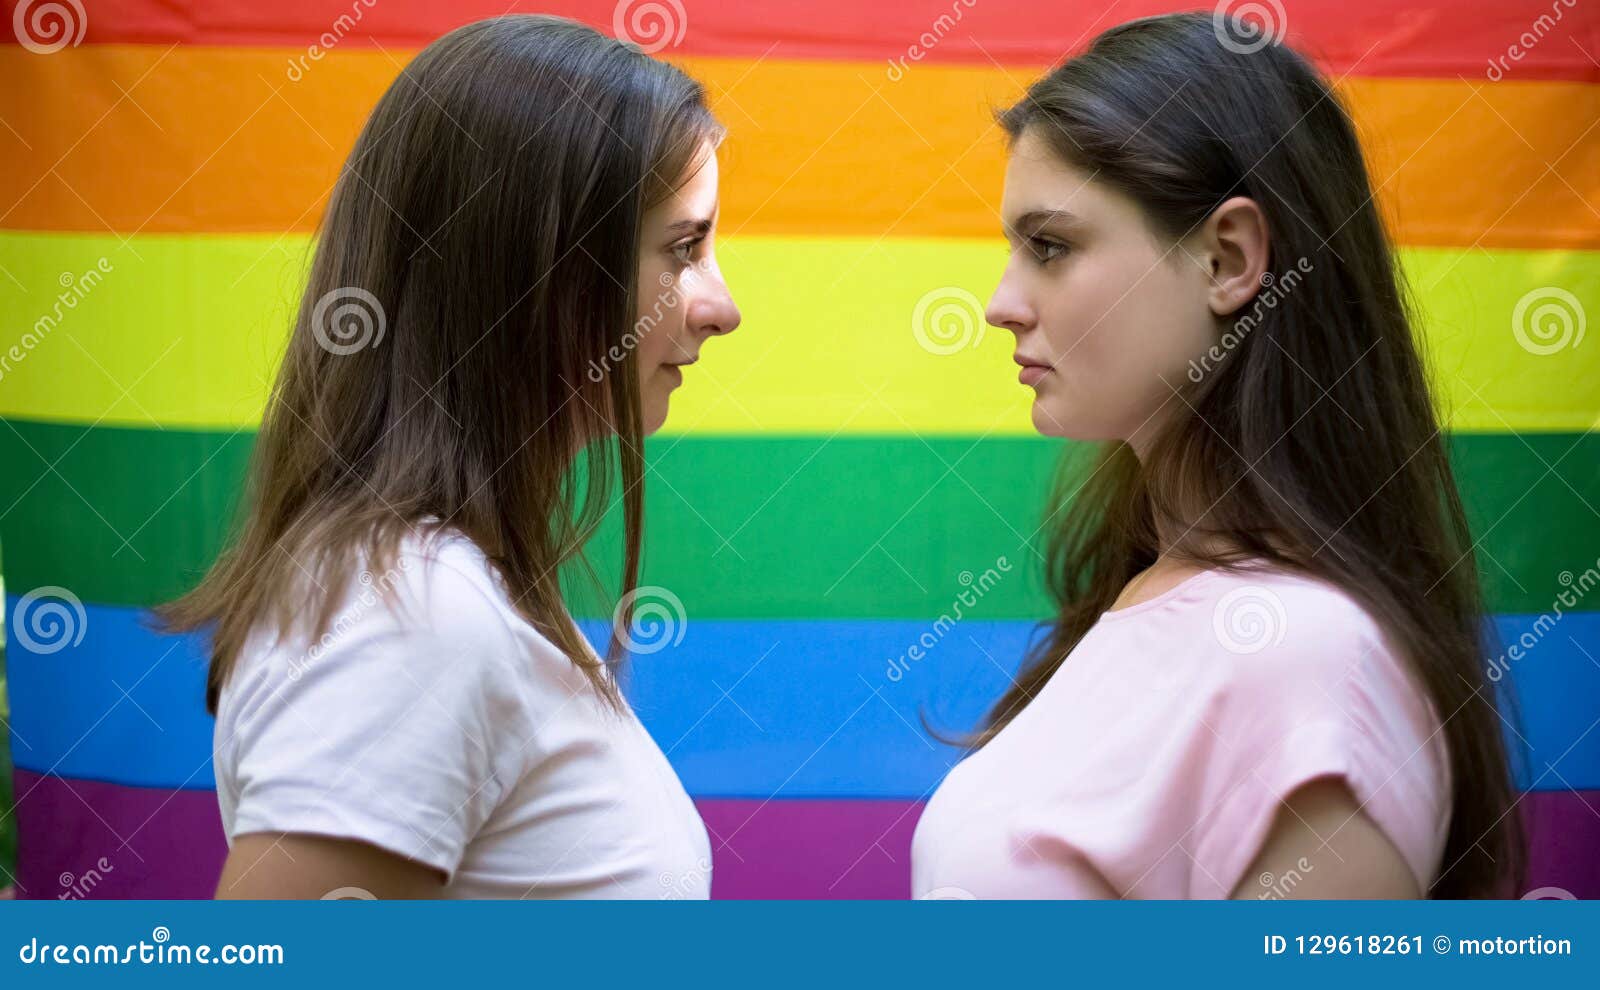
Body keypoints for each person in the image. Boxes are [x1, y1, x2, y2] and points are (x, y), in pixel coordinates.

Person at [911, 12, 1522, 899]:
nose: (1002, 303)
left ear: (1227, 259)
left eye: (1051, 246)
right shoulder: (1157, 594)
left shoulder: (1311, 665)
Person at [160, 15, 741, 899]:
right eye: (683, 248)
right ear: (531, 269)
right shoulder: (408, 606)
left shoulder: (434, 591)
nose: (721, 306)